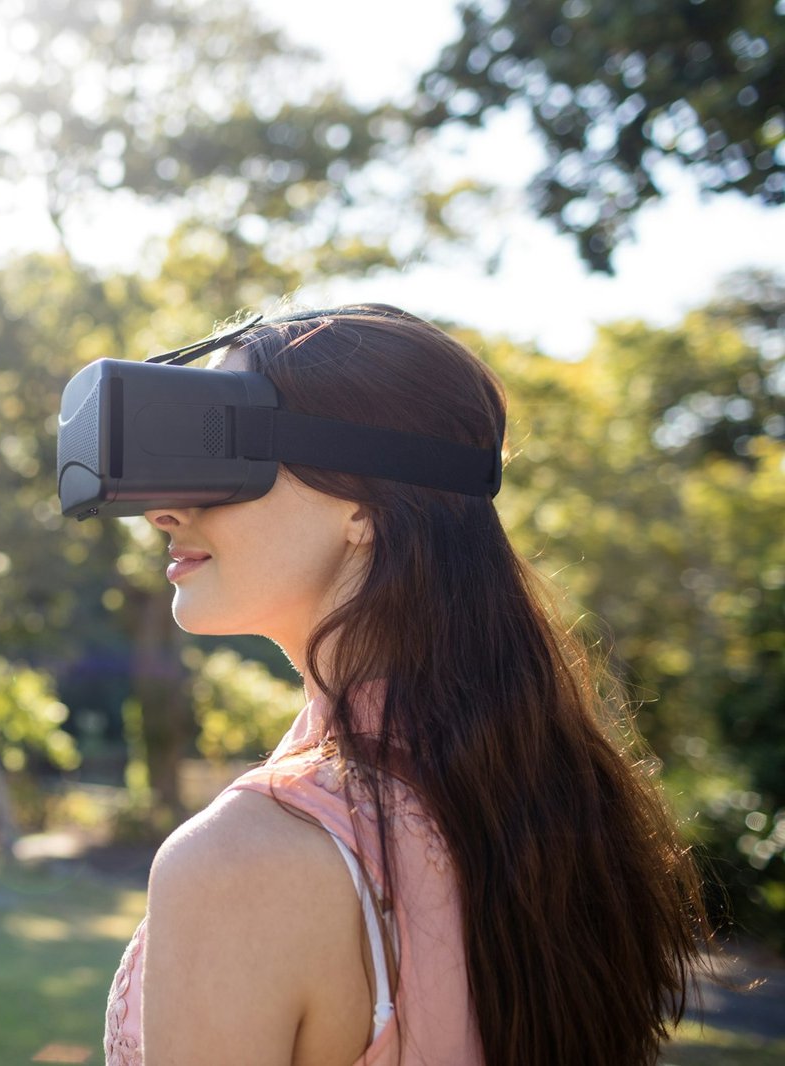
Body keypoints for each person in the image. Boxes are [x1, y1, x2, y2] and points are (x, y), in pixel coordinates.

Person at [98, 305, 711, 1065]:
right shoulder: (550, 795)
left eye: (222, 447)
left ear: (363, 505)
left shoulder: (242, 863)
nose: (166, 506)